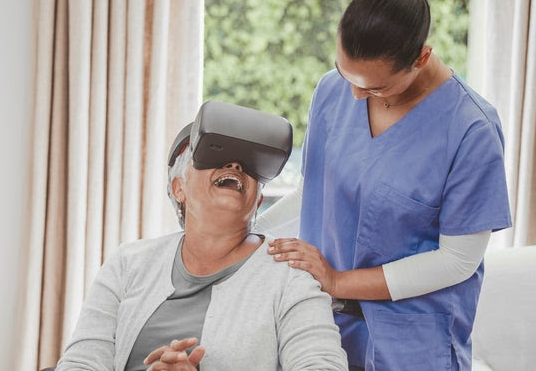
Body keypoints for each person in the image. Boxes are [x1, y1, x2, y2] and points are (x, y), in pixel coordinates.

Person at [261, 0, 512, 370]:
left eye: (375, 88)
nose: (356, 95)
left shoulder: (471, 130)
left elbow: (457, 260)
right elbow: (316, 191)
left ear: (421, 58)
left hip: (410, 343)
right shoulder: (332, 91)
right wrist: (249, 230)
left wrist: (338, 280)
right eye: (347, 75)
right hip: (323, 325)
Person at [55, 116, 348, 370]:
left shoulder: (291, 275)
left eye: (248, 165)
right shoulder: (128, 263)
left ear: (257, 200)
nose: (235, 164)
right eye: (215, 156)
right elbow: (81, 362)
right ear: (179, 188)